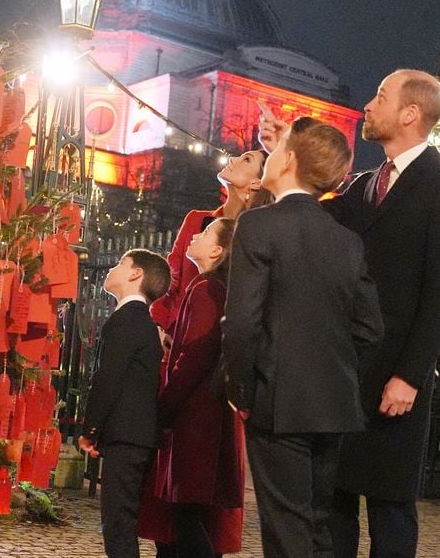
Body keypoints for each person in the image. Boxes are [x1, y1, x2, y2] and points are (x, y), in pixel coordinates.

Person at [259, 70, 440, 558]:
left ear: (409, 113)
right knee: (333, 499)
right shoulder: (365, 183)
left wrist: (409, 375)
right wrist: (287, 157)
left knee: (390, 505)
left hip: (396, 380)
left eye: (380, 96)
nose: (367, 104)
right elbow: (312, 217)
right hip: (344, 372)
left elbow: (437, 292)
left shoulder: (436, 183)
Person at [223, 117, 384, 557]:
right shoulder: (346, 240)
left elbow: (241, 321)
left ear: (289, 159)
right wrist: (337, 371)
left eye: (276, 150)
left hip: (277, 400)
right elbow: (370, 328)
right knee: (316, 527)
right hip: (333, 402)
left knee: (286, 531)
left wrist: (241, 389)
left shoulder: (259, 225)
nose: (269, 156)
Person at [139, 218, 246, 558]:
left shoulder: (206, 289)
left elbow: (194, 354)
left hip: (196, 419)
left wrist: (166, 404)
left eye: (205, 233)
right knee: (187, 517)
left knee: (186, 515)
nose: (194, 236)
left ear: (217, 250)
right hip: (204, 416)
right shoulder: (209, 287)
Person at [78, 249, 171, 558]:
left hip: (127, 435)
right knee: (122, 520)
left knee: (118, 523)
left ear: (135, 274)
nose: (112, 269)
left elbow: (107, 378)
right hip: (136, 435)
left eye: (120, 263)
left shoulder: (127, 320)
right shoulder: (141, 321)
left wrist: (90, 428)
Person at [150, 149, 273, 345]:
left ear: (257, 182)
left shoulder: (257, 235)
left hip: (222, 343)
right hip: (175, 337)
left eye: (246, 160)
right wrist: (158, 325)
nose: (232, 159)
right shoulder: (197, 220)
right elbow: (172, 278)